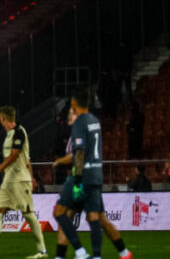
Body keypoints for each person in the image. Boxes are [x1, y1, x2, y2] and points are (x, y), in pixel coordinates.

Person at [51, 94, 131, 259]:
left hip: (82, 175)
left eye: (71, 108)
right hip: (96, 174)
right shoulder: (95, 120)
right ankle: (120, 252)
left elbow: (79, 153)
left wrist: (77, 179)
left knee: (60, 213)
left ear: (74, 104)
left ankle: (80, 252)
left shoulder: (79, 123)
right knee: (96, 217)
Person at [0, 105, 46, 259]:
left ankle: (42, 251)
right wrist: (32, 176)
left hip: (19, 180)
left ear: (3, 118)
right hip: (8, 181)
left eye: (0, 117)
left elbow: (15, 156)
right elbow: (27, 158)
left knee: (28, 214)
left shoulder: (19, 132)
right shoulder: (10, 134)